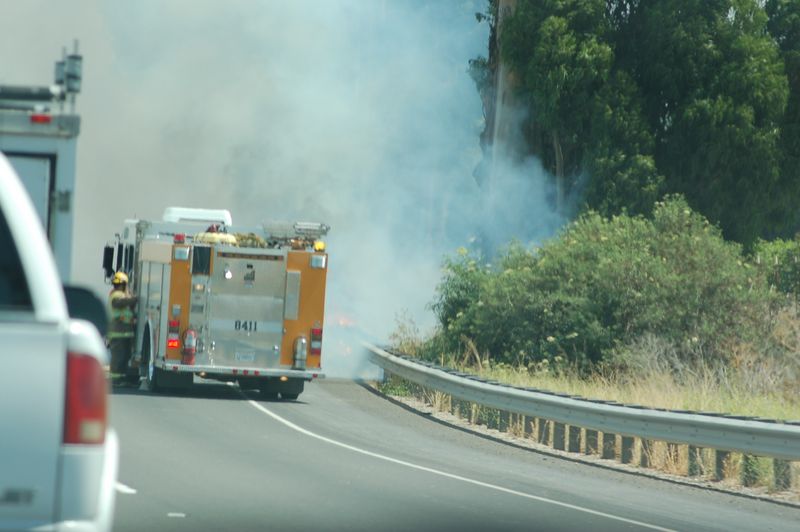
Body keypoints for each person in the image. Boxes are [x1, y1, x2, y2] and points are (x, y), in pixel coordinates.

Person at [108, 271, 138, 378]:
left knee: (125, 356)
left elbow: (127, 311)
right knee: (118, 357)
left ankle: (122, 377)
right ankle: (116, 379)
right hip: (118, 332)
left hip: (124, 332)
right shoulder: (116, 295)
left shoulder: (123, 295)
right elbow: (119, 303)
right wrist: (134, 299)